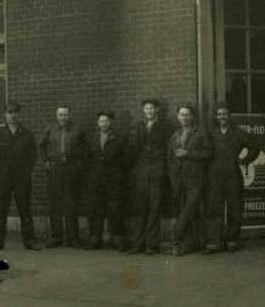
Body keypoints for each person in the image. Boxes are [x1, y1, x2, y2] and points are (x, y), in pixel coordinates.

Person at [201, 102, 264, 253]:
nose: (222, 116)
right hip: (214, 177)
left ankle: (232, 241)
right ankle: (213, 243)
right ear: (216, 116)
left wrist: (244, 160)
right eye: (219, 114)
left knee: (234, 208)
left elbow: (255, 146)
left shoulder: (238, 132)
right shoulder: (210, 134)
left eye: (225, 113)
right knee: (213, 209)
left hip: (232, 175)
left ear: (229, 115)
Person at [125, 99, 176, 255]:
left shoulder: (165, 127)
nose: (149, 111)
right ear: (143, 111)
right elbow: (135, 148)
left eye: (152, 109)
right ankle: (137, 243)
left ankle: (151, 244)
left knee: (155, 206)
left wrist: (165, 168)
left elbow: (169, 148)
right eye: (146, 109)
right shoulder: (140, 127)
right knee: (141, 206)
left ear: (157, 110)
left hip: (158, 166)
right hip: (143, 167)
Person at [0, 102, 42, 251]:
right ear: (5, 115)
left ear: (19, 115)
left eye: (16, 112)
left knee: (25, 210)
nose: (13, 115)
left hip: (22, 178)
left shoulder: (27, 135)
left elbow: (33, 156)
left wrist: (25, 172)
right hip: (4, 178)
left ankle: (30, 241)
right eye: (10, 112)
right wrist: (1, 172)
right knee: (1, 210)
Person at [41, 105, 93, 248]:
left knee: (71, 203)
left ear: (70, 115)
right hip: (55, 169)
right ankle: (56, 237)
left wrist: (80, 160)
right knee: (55, 204)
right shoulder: (50, 129)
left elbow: (88, 145)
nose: (63, 118)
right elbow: (42, 145)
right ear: (56, 115)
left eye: (66, 115)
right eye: (60, 115)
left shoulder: (78, 130)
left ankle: (72, 238)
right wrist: (46, 160)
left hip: (71, 169)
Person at [164, 105, 209, 256]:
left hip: (195, 178)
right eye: (181, 115)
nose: (184, 118)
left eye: (187, 115)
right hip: (178, 179)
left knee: (189, 208)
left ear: (192, 117)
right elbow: (169, 156)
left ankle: (174, 235)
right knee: (184, 210)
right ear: (177, 117)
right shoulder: (175, 134)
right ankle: (188, 244)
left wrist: (188, 153)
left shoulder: (200, 132)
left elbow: (208, 153)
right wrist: (172, 173)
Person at [80, 111, 129, 251]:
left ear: (111, 123)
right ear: (98, 123)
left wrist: (118, 171)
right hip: (95, 180)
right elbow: (85, 157)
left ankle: (118, 240)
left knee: (115, 209)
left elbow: (127, 157)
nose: (104, 124)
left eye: (107, 121)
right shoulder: (92, 139)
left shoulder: (119, 138)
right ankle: (94, 239)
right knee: (95, 209)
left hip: (114, 179)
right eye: (102, 121)